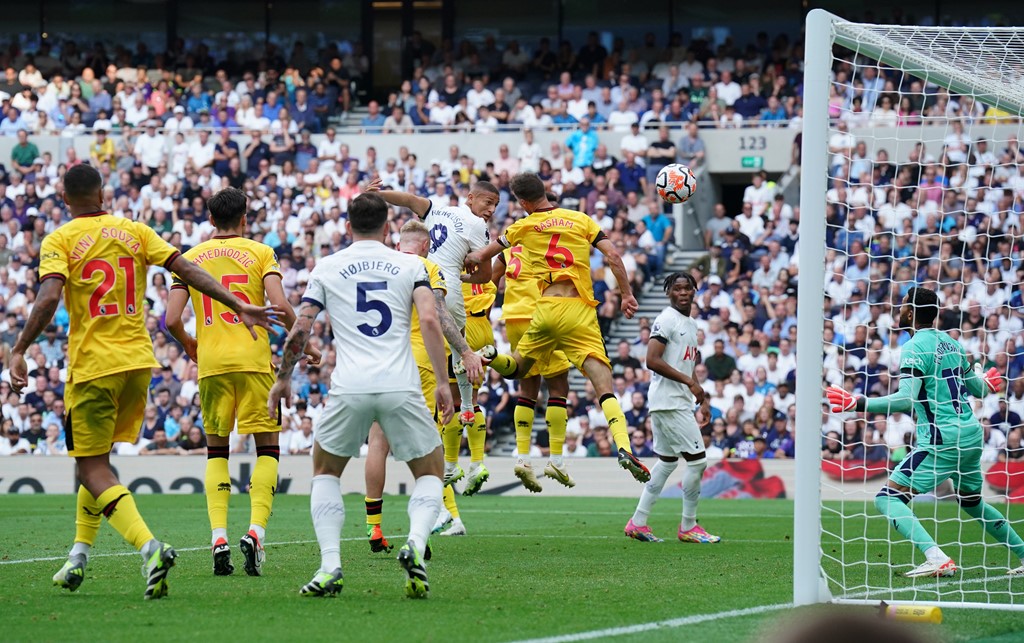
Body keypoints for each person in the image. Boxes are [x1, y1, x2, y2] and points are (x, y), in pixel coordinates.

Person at [10, 164, 279, 600]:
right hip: (138, 362)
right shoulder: (134, 230)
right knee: (97, 459)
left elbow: (49, 296)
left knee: (91, 464)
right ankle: (79, 554)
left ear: (63, 199)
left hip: (94, 365)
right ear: (103, 194)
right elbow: (188, 269)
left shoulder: (58, 239)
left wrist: (20, 347)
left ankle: (149, 546)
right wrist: (238, 303)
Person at [269, 192, 452, 598]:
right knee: (429, 472)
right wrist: (442, 381)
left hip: (349, 386)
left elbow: (301, 327)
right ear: (388, 227)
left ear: (347, 226)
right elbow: (428, 319)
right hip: (401, 385)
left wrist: (284, 377)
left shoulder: (328, 266)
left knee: (325, 472)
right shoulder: (411, 264)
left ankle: (330, 565)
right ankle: (416, 546)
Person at [165, 187, 321, 577]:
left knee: (216, 453)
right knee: (267, 449)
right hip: (254, 362)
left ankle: (218, 538)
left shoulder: (188, 258)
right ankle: (255, 533)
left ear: (211, 220)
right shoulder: (260, 252)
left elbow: (170, 320)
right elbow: (282, 307)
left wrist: (188, 344)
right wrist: (305, 344)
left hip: (212, 363)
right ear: (245, 218)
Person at [465, 172, 649, 484]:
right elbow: (615, 256)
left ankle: (492, 355)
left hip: (545, 309)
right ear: (546, 193)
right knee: (604, 384)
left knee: (520, 369)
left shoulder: (521, 227)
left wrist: (458, 264)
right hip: (580, 311)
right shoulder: (581, 219)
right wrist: (627, 295)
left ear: (523, 202)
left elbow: (481, 257)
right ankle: (623, 446)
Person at [827, 286, 1024, 578]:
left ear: (911, 312)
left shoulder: (914, 347)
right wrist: (986, 378)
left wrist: (859, 401)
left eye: (903, 304)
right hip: (970, 434)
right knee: (972, 503)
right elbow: (978, 388)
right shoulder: (951, 343)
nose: (899, 308)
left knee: (887, 498)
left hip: (942, 439)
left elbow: (907, 398)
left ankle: (937, 558)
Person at [365, 177, 497, 490]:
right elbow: (487, 273)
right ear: (471, 198)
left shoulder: (437, 208)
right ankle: (466, 406)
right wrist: (464, 273)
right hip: (446, 284)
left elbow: (409, 200)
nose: (490, 210)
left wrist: (379, 194)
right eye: (487, 203)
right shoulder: (477, 226)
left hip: (417, 280)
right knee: (459, 346)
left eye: (494, 206)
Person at [362, 220, 484, 548]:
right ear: (427, 245)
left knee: (377, 442)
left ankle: (374, 527)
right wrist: (465, 351)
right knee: (426, 448)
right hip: (418, 364)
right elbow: (438, 315)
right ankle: (424, 527)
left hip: (378, 361)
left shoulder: (379, 266)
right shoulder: (426, 267)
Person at [625, 272, 720, 543]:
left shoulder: (690, 324)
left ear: (694, 292)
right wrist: (690, 383)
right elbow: (652, 360)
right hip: (669, 402)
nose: (682, 293)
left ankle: (638, 522)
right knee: (698, 462)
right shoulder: (666, 319)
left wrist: (702, 399)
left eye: (687, 288)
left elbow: (686, 366)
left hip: (675, 402)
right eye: (677, 289)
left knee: (666, 463)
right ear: (669, 293)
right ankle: (688, 526)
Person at [491, 200, 574, 491]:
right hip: (543, 315)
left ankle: (523, 457)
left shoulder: (512, 239)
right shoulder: (552, 239)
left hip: (513, 317)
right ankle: (557, 460)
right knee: (559, 386)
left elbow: (492, 279)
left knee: (527, 388)